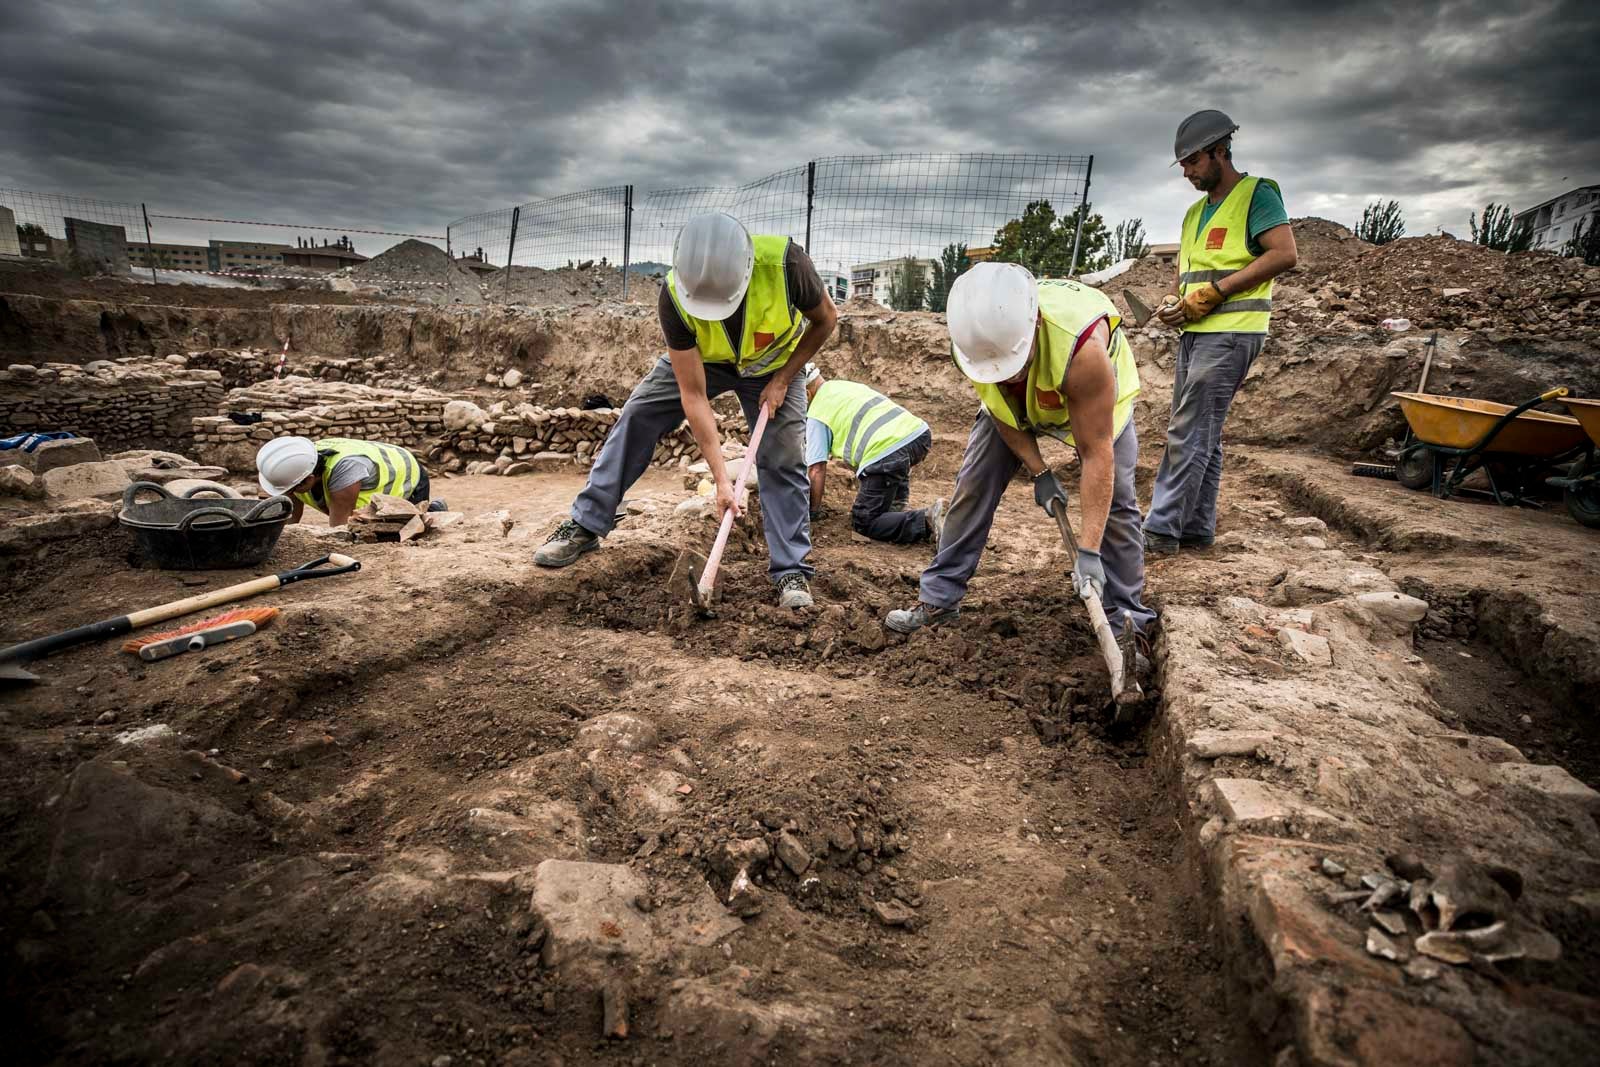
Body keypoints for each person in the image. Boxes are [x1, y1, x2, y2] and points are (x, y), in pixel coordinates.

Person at [534, 212, 838, 609]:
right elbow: (692, 396)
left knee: (782, 456)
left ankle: (790, 570)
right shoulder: (675, 296)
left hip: (774, 362)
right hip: (705, 361)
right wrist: (721, 482)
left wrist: (783, 379)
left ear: (745, 273)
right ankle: (587, 523)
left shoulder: (787, 265)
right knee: (640, 413)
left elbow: (826, 319)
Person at [885, 262, 1155, 637]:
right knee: (973, 485)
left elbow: (1096, 454)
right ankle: (939, 599)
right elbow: (1001, 413)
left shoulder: (1082, 349)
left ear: (1036, 326)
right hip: (1019, 408)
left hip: (1097, 400)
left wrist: (1089, 550)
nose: (1008, 376)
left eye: (1015, 365)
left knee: (1118, 502)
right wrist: (1039, 471)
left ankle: (1127, 621)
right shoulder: (976, 346)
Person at [1145, 109, 1298, 554]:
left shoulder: (1258, 194)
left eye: (1193, 162)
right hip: (1195, 333)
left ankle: (1159, 531)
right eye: (1185, 165)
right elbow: (1186, 273)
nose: (1188, 173)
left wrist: (1215, 293)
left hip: (1232, 330)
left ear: (1219, 151)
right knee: (1202, 434)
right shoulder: (1194, 213)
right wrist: (1174, 302)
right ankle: (1194, 529)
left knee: (1189, 431)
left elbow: (1284, 254)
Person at [803, 363, 947, 545]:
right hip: (918, 436)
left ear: (807, 394)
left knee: (864, 522)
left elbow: (816, 469)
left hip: (887, 452)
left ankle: (927, 519)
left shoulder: (817, 413)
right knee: (888, 465)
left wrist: (813, 512)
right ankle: (895, 507)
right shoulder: (843, 386)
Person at [255, 435, 444, 526]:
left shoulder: (344, 472)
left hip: (407, 475)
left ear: (308, 480)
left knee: (393, 532)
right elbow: (291, 521)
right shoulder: (295, 468)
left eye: (290, 490)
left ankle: (434, 509)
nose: (287, 494)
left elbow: (339, 529)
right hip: (363, 468)